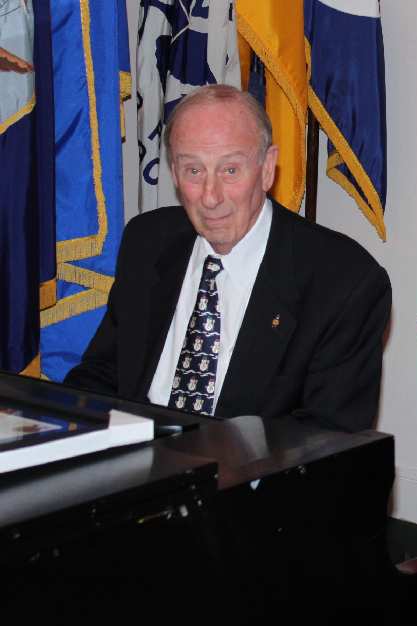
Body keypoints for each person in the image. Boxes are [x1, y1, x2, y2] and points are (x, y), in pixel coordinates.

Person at [65, 84, 391, 431]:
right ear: (174, 173)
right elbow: (103, 374)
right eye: (194, 171)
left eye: (230, 170)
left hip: (251, 477)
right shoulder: (147, 241)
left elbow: (325, 443)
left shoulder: (344, 282)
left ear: (267, 169)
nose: (210, 196)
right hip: (131, 469)